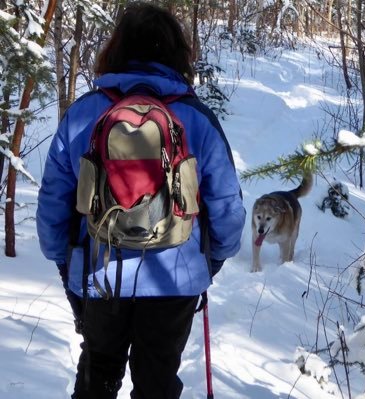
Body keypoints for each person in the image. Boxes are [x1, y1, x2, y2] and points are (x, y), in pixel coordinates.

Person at [36, 2, 246, 399]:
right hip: (175, 279)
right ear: (177, 56)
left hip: (98, 276)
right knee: (158, 379)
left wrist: (65, 263)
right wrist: (210, 262)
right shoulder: (197, 119)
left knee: (97, 370)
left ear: (115, 50)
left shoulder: (83, 114)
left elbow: (52, 201)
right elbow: (228, 210)